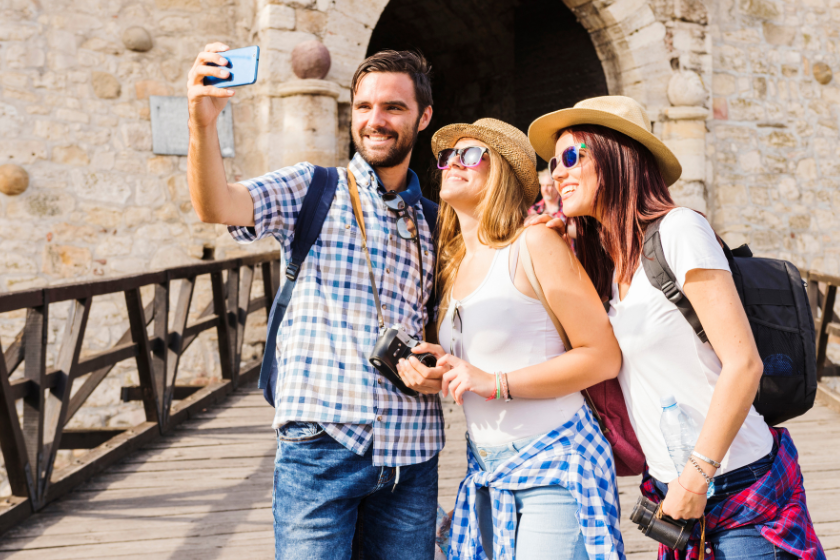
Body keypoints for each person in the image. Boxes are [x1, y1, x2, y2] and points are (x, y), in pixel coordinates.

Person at [528, 95, 825, 560]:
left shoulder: (679, 230)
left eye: (570, 157)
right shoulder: (605, 264)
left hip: (736, 486)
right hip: (675, 496)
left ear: (616, 155)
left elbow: (744, 364)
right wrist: (551, 243)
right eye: (552, 163)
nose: (556, 174)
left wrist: (695, 476)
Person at [186, 46, 444, 559]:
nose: (376, 120)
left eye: (393, 107)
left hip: (412, 454)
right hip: (322, 446)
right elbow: (216, 204)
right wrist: (201, 125)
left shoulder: (437, 222)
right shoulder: (313, 188)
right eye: (364, 107)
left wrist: (440, 365)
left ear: (424, 116)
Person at [397, 118, 625, 560]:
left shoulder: (534, 244)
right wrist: (444, 364)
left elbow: (602, 357)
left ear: (500, 172)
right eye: (447, 156)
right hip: (486, 468)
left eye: (469, 155)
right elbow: (487, 356)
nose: (451, 164)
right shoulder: (454, 266)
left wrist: (494, 382)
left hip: (555, 460)